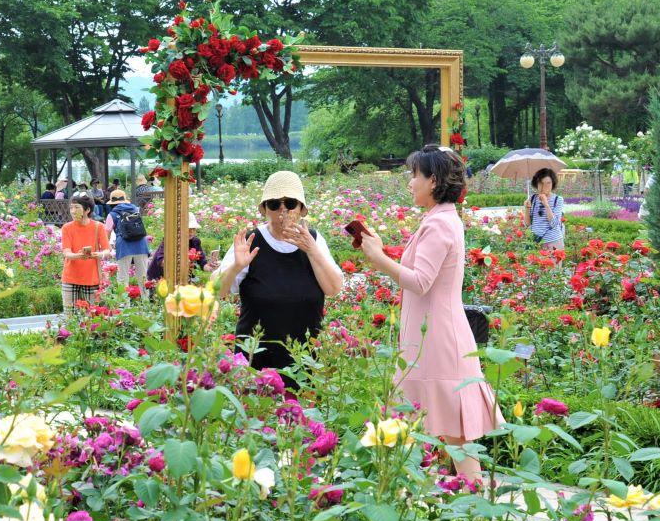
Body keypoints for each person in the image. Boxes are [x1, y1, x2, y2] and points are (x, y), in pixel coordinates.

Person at [359, 146, 501, 482]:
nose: (410, 183)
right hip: (436, 337)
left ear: (433, 180)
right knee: (445, 433)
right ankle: (459, 505)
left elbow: (420, 281)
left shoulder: (439, 224)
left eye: (414, 175)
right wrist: (383, 250)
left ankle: (468, 503)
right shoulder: (441, 218)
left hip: (437, 341)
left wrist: (379, 259)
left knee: (452, 433)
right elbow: (423, 269)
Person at [216, 171, 343, 375]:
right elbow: (218, 291)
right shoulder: (251, 241)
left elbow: (334, 288)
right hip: (256, 356)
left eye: (290, 203)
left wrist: (312, 251)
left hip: (304, 356)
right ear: (265, 209)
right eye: (274, 204)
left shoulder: (314, 240)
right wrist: (236, 267)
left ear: (301, 209)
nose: (283, 210)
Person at [60, 194, 111, 311]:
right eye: (71, 208)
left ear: (87, 210)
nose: (73, 211)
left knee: (93, 315)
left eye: (77, 207)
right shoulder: (67, 228)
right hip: (70, 277)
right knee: (69, 315)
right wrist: (78, 256)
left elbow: (107, 250)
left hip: (91, 278)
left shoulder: (98, 227)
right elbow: (66, 253)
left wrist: (100, 254)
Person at [148, 212, 212, 283]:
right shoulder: (170, 240)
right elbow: (161, 261)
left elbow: (201, 260)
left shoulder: (195, 241)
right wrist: (181, 262)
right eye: (188, 229)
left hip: (182, 277)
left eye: (193, 229)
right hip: (160, 277)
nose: (191, 232)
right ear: (180, 229)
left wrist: (209, 267)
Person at [104, 189, 151, 286]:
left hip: (124, 246)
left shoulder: (111, 215)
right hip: (141, 244)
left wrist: (107, 249)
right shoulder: (135, 210)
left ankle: (124, 301)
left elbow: (106, 236)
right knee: (143, 277)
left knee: (123, 278)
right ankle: (145, 300)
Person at [523, 168, 565, 252]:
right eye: (541, 183)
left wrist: (546, 205)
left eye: (548, 183)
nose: (545, 186)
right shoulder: (532, 199)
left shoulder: (558, 199)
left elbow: (554, 223)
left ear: (553, 184)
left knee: (553, 265)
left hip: (553, 242)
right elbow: (527, 224)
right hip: (535, 242)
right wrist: (527, 209)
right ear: (536, 184)